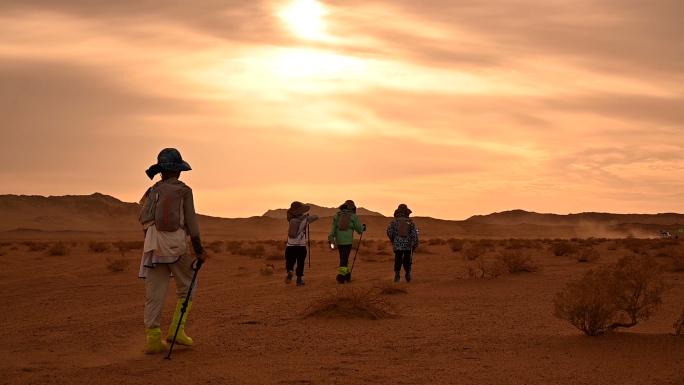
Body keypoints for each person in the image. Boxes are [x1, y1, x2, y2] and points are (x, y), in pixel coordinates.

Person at [137, 148, 207, 354]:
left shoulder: (152, 191)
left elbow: (143, 219)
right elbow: (191, 221)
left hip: (153, 247)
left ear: (161, 171)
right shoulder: (185, 191)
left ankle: (153, 338)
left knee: (154, 294)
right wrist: (199, 249)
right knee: (188, 286)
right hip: (177, 246)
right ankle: (177, 330)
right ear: (178, 171)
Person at [329, 200, 365, 283]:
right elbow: (359, 229)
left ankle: (347, 273)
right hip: (348, 240)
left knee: (343, 257)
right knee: (345, 257)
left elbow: (333, 228)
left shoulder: (337, 216)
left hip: (339, 239)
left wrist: (331, 238)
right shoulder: (353, 216)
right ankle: (341, 275)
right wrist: (363, 228)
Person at [285, 202, 319, 286]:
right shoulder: (305, 219)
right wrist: (307, 216)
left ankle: (290, 271)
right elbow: (316, 217)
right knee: (301, 262)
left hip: (290, 245)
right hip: (301, 245)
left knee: (290, 260)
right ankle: (299, 279)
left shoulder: (290, 219)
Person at [386, 204, 419, 282]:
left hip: (397, 244)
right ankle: (407, 273)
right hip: (407, 244)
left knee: (398, 258)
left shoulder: (394, 221)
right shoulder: (410, 221)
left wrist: (393, 239)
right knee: (407, 259)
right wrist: (415, 242)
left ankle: (397, 274)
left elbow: (389, 231)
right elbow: (413, 233)